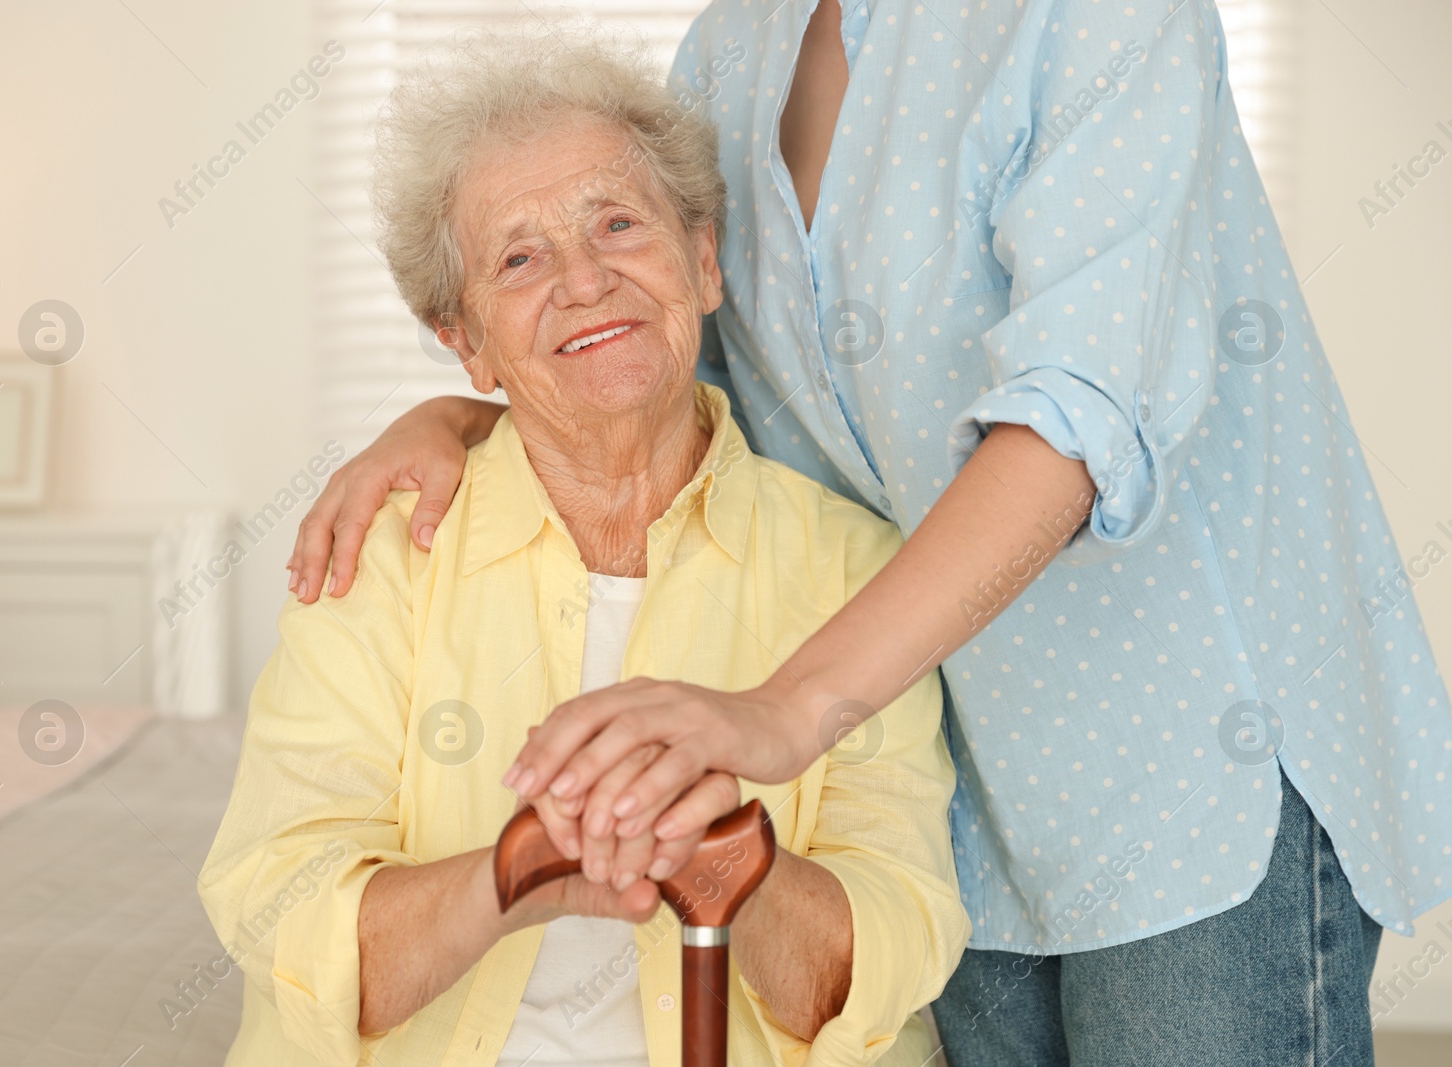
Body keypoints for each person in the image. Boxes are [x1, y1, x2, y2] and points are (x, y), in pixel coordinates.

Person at [288, 1, 1452, 1064]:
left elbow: (1080, 417)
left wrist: (785, 710)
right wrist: (459, 413)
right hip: (963, 788)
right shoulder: (727, 53)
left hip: (1190, 760)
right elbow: (690, 373)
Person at [200, 27, 969, 1067]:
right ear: (464, 339)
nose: (584, 278)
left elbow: (888, 957)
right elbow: (281, 916)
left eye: (617, 223)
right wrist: (515, 869)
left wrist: (735, 860)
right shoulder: (378, 548)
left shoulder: (859, 573)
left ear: (702, 263)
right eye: (519, 256)